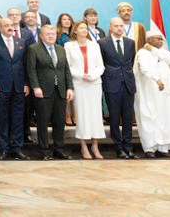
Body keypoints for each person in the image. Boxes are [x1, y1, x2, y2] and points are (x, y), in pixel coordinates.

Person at [134, 29, 170, 158]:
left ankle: (164, 148)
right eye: (157, 38)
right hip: (150, 93)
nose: (160, 41)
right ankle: (149, 148)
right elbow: (145, 69)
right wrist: (157, 79)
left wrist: (153, 49)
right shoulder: (142, 53)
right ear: (149, 39)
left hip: (166, 94)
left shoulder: (164, 53)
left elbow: (169, 59)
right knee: (150, 118)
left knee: (165, 118)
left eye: (161, 39)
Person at [27, 25, 74, 160]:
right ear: (41, 36)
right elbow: (31, 70)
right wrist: (35, 87)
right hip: (43, 91)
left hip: (60, 91)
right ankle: (44, 151)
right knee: (43, 122)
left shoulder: (60, 49)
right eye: (47, 34)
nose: (51, 36)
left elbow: (66, 70)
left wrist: (70, 88)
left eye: (53, 33)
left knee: (59, 122)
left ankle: (59, 149)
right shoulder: (33, 49)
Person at [64, 21, 105, 160]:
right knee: (82, 115)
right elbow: (68, 66)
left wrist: (92, 76)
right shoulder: (69, 46)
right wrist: (81, 75)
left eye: (86, 28)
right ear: (75, 31)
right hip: (79, 83)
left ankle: (95, 146)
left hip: (94, 83)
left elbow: (100, 66)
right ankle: (83, 146)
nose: (84, 30)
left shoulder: (94, 45)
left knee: (95, 115)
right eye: (81, 28)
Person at [0, 18, 28, 159]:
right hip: (2, 86)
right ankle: (3, 148)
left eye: (11, 25)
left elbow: (25, 64)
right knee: (2, 118)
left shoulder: (21, 42)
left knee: (18, 118)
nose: (10, 27)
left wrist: (26, 83)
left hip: (19, 86)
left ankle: (17, 148)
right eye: (6, 25)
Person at [99, 17, 137, 159]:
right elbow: (102, 63)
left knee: (128, 118)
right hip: (111, 84)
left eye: (121, 26)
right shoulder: (102, 43)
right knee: (114, 118)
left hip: (128, 84)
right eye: (116, 26)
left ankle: (128, 147)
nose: (119, 28)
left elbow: (131, 62)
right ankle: (118, 148)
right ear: (111, 27)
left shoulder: (130, 43)